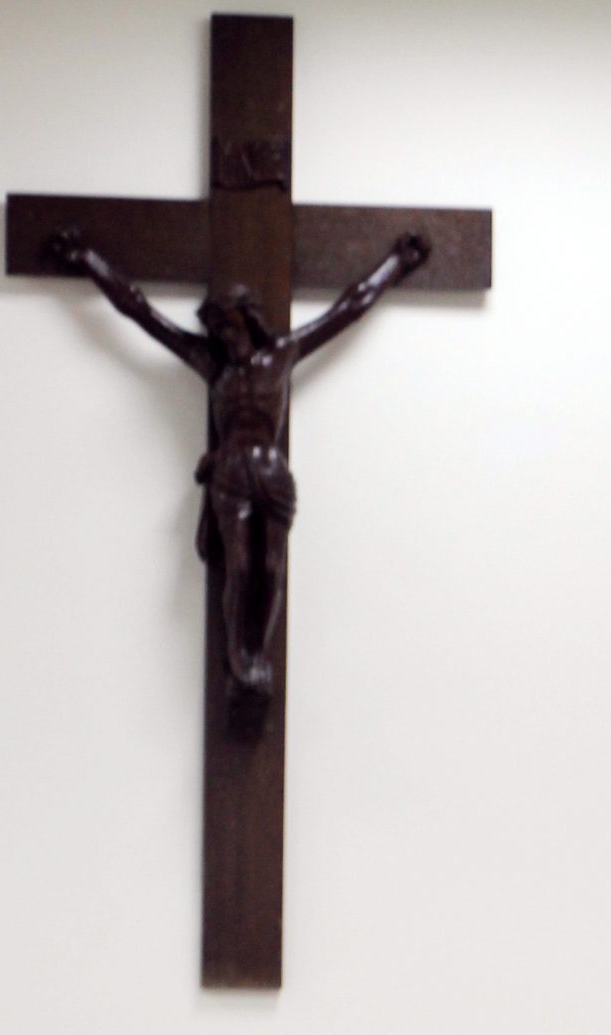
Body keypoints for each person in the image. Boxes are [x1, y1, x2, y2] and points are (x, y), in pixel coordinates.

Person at [49, 226, 430, 696]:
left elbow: (350, 307)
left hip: (272, 473)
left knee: (271, 568)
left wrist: (397, 263)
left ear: (247, 319)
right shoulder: (211, 364)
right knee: (240, 567)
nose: (223, 337)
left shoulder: (282, 355)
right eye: (216, 330)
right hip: (231, 473)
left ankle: (258, 652)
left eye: (228, 325)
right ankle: (239, 657)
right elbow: (138, 310)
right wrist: (88, 260)